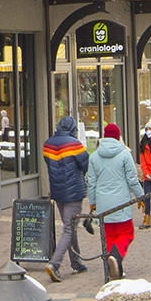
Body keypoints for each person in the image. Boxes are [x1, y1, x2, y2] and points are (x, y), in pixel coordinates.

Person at [86, 122, 145, 262]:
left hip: (102, 204)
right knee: (127, 233)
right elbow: (132, 180)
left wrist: (92, 203)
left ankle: (113, 268)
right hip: (121, 204)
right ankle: (116, 258)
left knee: (109, 236)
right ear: (118, 137)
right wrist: (141, 197)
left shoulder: (94, 156)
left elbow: (91, 183)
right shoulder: (125, 154)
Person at [41, 114, 92, 276]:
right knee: (69, 229)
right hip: (74, 193)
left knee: (71, 227)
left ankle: (76, 263)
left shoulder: (48, 144)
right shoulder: (74, 144)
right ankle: (54, 264)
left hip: (58, 192)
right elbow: (86, 164)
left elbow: (49, 164)